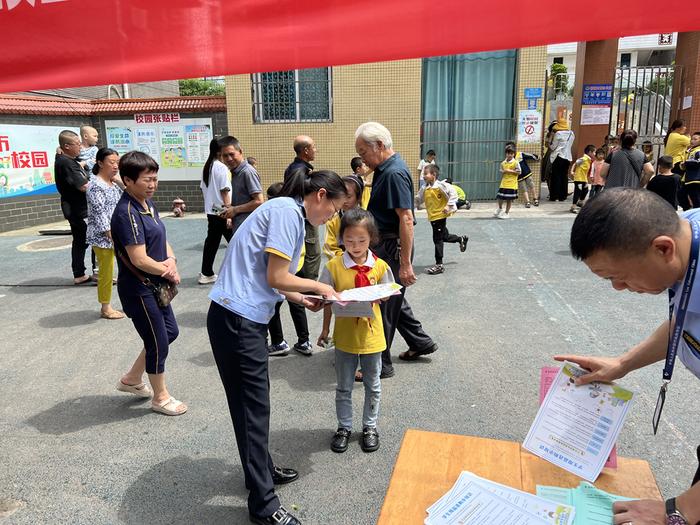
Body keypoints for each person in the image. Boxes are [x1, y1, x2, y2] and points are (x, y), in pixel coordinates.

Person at [206, 169, 347, 525]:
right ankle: (264, 505)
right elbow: (276, 276)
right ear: (319, 196)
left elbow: (270, 277)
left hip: (237, 317)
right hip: (238, 320)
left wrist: (299, 295)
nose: (333, 216)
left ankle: (261, 474)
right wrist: (322, 288)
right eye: (334, 208)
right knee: (253, 409)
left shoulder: (288, 211)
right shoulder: (287, 213)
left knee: (250, 406)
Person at [558, 188, 700, 525]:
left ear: (663, 248)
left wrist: (679, 511)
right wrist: (623, 364)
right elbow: (684, 320)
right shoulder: (685, 234)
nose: (619, 289)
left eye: (619, 277)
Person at [355, 121, 438, 375]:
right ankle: (420, 342)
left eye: (363, 152)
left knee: (384, 305)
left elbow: (406, 218)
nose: (362, 159)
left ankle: (381, 365)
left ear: (379, 145)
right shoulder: (384, 168)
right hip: (385, 245)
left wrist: (405, 263)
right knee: (394, 298)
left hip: (392, 247)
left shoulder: (393, 173)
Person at [111, 151, 186, 416]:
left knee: (168, 333)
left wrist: (172, 260)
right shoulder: (126, 213)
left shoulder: (147, 203)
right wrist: (167, 272)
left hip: (154, 285)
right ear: (128, 181)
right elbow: (139, 258)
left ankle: (131, 379)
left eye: (155, 179)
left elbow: (161, 238)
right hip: (139, 289)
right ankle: (160, 397)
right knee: (158, 341)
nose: (153, 185)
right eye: (147, 180)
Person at [317, 208, 393, 454]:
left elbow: (387, 294)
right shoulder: (333, 266)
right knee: (344, 386)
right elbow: (327, 301)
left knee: (373, 385)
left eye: (362, 240)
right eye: (349, 240)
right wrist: (325, 329)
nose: (356, 245)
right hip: (345, 337)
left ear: (372, 238)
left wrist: (382, 297)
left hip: (372, 336)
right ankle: (344, 427)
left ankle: (369, 427)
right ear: (341, 239)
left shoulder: (380, 267)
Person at [86, 147, 124, 319]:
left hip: (116, 233)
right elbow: (99, 212)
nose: (116, 166)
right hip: (103, 236)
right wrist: (111, 235)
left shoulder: (112, 182)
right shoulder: (95, 185)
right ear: (100, 163)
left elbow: (127, 194)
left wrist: (118, 181)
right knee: (106, 272)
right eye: (112, 162)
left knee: (120, 269)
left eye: (117, 162)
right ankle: (105, 307)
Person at [54, 130, 95, 284]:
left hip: (75, 208)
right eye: (77, 144)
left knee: (80, 241)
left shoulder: (64, 158)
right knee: (96, 238)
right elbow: (83, 186)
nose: (80, 147)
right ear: (66, 146)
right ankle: (98, 273)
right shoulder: (66, 163)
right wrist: (104, 186)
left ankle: (79, 274)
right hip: (79, 210)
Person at [283, 136, 322, 285]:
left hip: (300, 216)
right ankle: (309, 285)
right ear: (306, 150)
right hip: (305, 217)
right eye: (314, 147)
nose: (315, 150)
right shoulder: (300, 171)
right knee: (312, 252)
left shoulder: (293, 168)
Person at [415, 165, 468, 274]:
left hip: (440, 216)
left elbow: (453, 194)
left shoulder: (441, 186)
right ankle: (460, 239)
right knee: (444, 236)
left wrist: (449, 206)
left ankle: (439, 265)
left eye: (426, 174)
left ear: (433, 175)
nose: (423, 176)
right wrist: (409, 206)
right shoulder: (425, 188)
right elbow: (418, 199)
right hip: (433, 217)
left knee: (437, 239)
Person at [198, 137, 233, 285]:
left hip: (213, 210)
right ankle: (207, 273)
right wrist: (229, 213)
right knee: (238, 240)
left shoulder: (208, 166)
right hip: (222, 211)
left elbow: (203, 188)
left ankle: (206, 272)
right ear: (220, 151)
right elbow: (225, 191)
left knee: (212, 242)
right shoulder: (221, 167)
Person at [219, 136, 264, 234]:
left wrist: (235, 210)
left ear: (240, 151)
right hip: (241, 226)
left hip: (249, 228)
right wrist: (230, 208)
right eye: (225, 156)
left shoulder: (247, 172)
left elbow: (259, 201)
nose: (229, 159)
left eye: (231, 154)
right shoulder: (235, 172)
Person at [547, 118, 575, 201]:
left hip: (558, 157)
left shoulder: (558, 134)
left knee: (556, 177)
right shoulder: (572, 133)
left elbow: (553, 147)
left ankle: (554, 196)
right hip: (568, 158)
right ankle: (563, 196)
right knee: (564, 177)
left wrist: (549, 142)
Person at [506, 141, 539, 207]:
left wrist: (536, 157)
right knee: (524, 189)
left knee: (531, 185)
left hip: (527, 174)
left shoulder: (520, 154)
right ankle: (527, 202)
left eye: (511, 147)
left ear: (514, 148)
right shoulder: (508, 159)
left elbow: (529, 156)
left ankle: (535, 199)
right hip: (519, 176)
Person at [494, 145, 520, 219]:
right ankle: (500, 208)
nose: (510, 155)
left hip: (512, 184)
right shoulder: (503, 163)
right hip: (504, 183)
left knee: (509, 199)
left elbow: (519, 172)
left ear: (514, 154)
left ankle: (507, 213)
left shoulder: (516, 162)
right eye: (508, 153)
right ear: (506, 154)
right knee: (500, 197)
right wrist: (503, 171)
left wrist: (510, 171)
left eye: (511, 154)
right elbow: (501, 170)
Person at [568, 144, 595, 214]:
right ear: (589, 152)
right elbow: (575, 164)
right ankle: (573, 207)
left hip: (584, 179)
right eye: (594, 152)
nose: (595, 154)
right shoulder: (584, 159)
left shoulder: (589, 160)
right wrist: (572, 171)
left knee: (585, 190)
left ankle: (580, 202)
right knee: (577, 192)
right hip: (579, 178)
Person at [681, 131, 700, 209]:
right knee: (681, 195)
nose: (692, 141)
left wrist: (685, 163)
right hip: (688, 178)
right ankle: (688, 211)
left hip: (696, 180)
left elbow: (697, 162)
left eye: (695, 139)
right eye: (692, 139)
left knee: (696, 200)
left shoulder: (698, 151)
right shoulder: (690, 150)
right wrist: (683, 165)